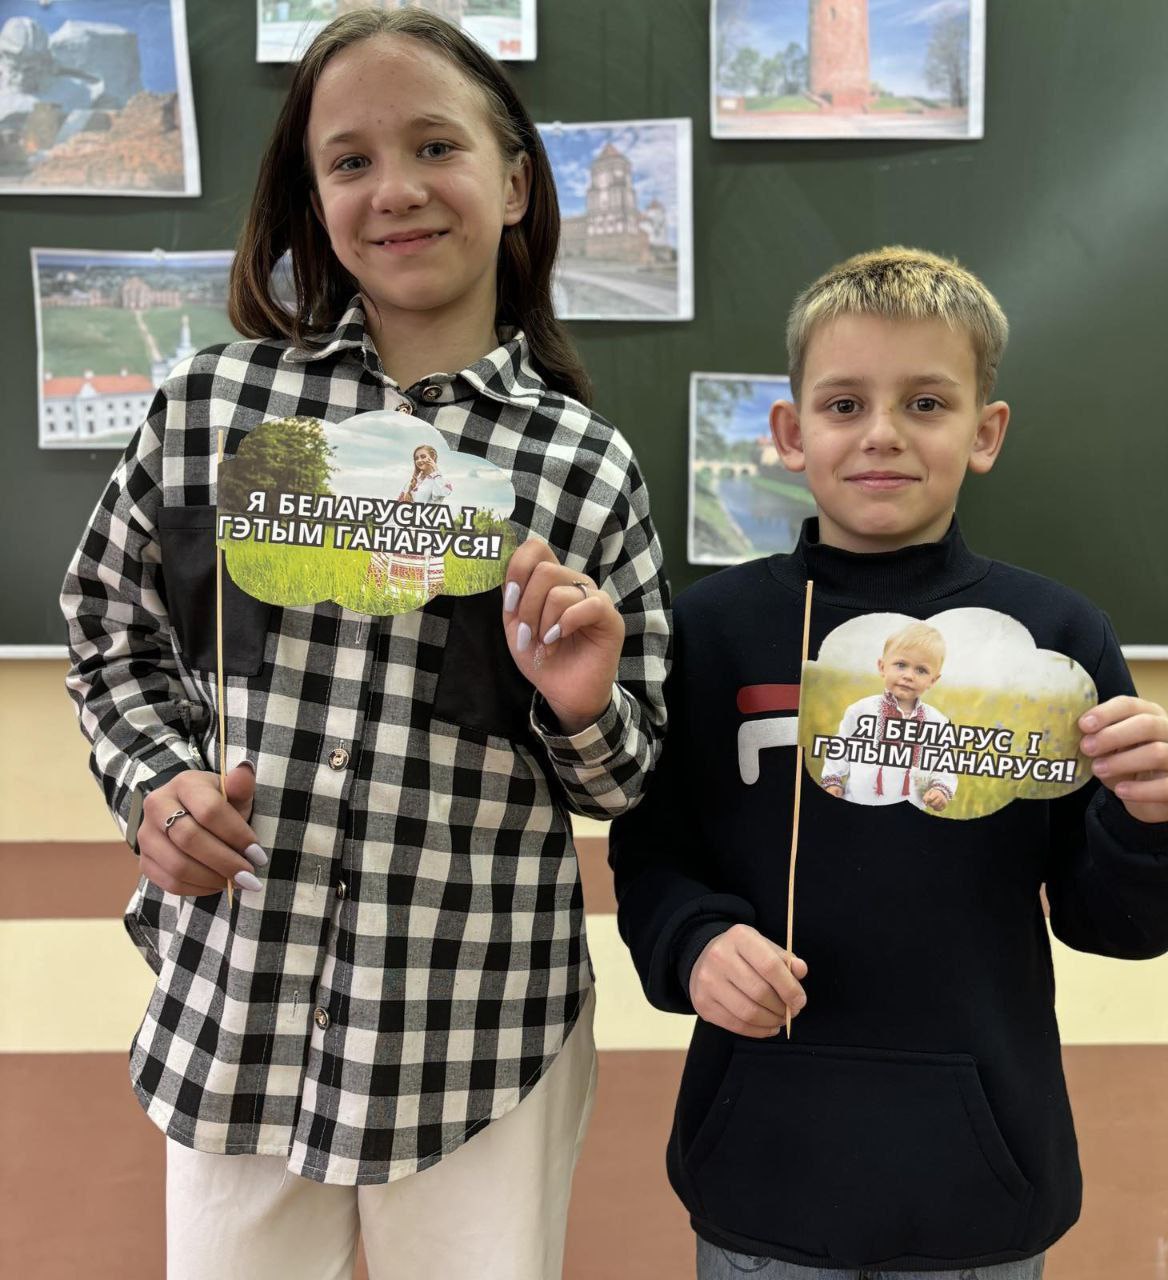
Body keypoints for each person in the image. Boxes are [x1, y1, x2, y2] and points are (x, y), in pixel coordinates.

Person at [61, 11, 670, 1279]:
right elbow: (112, 637)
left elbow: (622, 777)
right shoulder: (213, 408)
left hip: (476, 1022)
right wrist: (155, 784)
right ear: (312, 198)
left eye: (435, 145)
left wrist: (582, 703)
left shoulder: (582, 465)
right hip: (237, 1000)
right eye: (349, 160)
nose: (394, 189)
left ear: (514, 182)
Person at [609, 246, 1168, 1279]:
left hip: (976, 1188)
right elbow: (653, 852)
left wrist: (1158, 819)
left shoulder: (1057, 638)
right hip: (762, 1168)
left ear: (984, 432)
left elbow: (1110, 919)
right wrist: (695, 942)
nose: (882, 434)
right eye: (843, 404)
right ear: (789, 432)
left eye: (926, 403)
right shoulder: (711, 629)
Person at [821, 620, 958, 812]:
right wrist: (833, 781)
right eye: (901, 665)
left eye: (921, 670)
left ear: (933, 680)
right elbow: (840, 748)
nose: (909, 675)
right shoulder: (860, 711)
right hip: (857, 804)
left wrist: (940, 790)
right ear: (882, 667)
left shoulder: (937, 722)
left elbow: (944, 765)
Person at [367, 443, 454, 601]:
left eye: (423, 456)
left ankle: (415, 600)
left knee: (418, 567)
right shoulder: (413, 481)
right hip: (405, 528)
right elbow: (399, 506)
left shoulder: (439, 480)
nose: (419, 460)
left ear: (433, 457)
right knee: (385, 556)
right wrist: (387, 528)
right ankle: (385, 597)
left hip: (424, 529)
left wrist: (435, 471)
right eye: (416, 458)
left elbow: (441, 492)